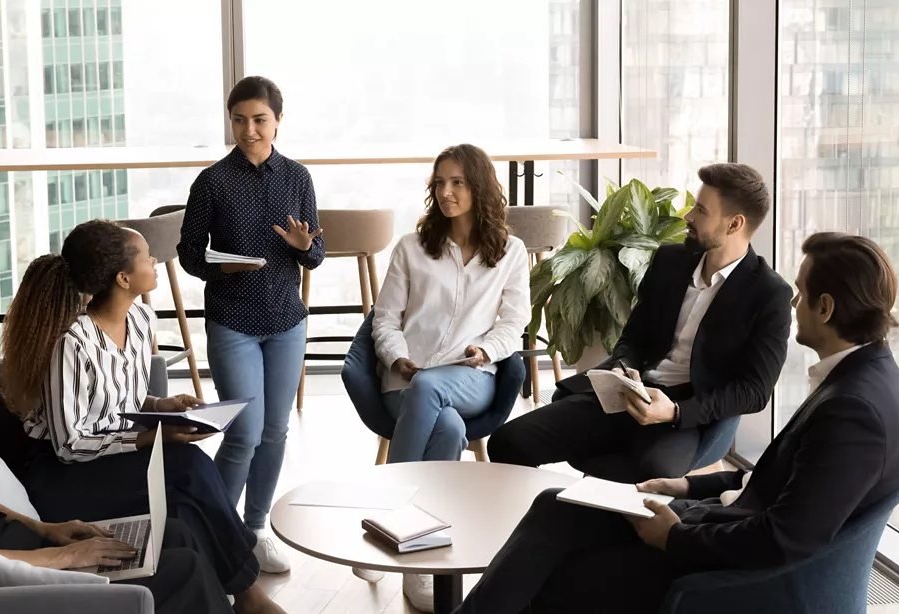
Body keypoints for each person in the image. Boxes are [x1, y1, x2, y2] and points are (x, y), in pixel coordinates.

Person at [454, 232, 899, 614]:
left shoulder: (856, 413)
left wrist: (676, 535)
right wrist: (686, 487)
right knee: (557, 504)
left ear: (826, 308)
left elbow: (785, 536)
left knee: (555, 570)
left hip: (729, 565)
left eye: (803, 294)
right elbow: (794, 480)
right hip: (722, 519)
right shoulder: (860, 377)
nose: (794, 303)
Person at [0, 301, 230, 612]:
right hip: (15, 586)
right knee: (182, 570)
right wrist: (67, 559)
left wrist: (47, 529)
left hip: (30, 553)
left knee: (176, 534)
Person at [0, 219, 285, 614]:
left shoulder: (141, 322)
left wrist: (161, 406)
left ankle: (230, 600)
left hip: (110, 456)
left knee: (184, 507)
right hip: (59, 471)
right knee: (187, 466)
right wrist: (154, 438)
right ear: (123, 278)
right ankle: (251, 595)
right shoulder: (72, 344)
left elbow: (119, 397)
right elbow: (70, 444)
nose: (154, 262)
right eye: (146, 257)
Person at [488, 163, 792, 483]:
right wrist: (622, 365)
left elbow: (754, 391)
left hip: (683, 414)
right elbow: (635, 335)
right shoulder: (670, 260)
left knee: (649, 473)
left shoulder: (769, 294)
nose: (688, 215)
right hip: (628, 393)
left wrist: (675, 411)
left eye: (701, 210)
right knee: (509, 443)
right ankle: (536, 525)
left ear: (735, 224)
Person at [342, 143, 530, 608]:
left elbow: (513, 323)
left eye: (458, 183)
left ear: (479, 187)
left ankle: (385, 524)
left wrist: (485, 348)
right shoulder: (412, 247)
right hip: (404, 381)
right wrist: (397, 357)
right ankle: (420, 565)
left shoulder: (510, 252)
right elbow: (383, 319)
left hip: (471, 377)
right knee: (447, 428)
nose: (445, 192)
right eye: (440, 183)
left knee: (432, 389)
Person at [178, 75, 324, 574]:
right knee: (244, 433)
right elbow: (189, 256)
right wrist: (222, 266)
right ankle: (212, 535)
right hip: (232, 320)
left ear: (278, 121)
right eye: (239, 120)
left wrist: (305, 247)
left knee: (276, 431)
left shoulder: (298, 177)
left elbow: (317, 254)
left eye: (259, 120)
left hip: (285, 319)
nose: (248, 129)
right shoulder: (212, 181)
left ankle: (254, 529)